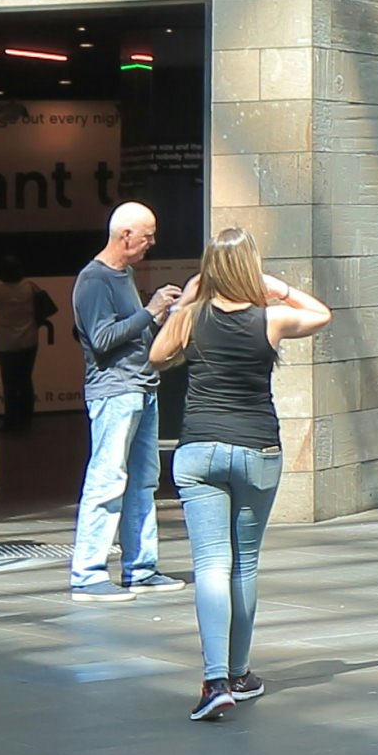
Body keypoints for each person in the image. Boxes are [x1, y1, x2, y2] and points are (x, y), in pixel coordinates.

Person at [145, 229, 332, 722]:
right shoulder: (268, 318)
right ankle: (241, 672)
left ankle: (214, 680)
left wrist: (189, 296)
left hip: (199, 451)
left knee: (210, 564)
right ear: (250, 269)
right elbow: (321, 315)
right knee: (243, 565)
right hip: (257, 450)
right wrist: (276, 285)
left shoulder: (191, 319)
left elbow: (157, 356)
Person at [69, 206, 175, 598]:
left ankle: (140, 567)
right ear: (125, 235)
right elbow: (101, 339)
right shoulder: (94, 280)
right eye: (147, 236)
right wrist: (150, 311)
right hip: (115, 391)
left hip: (141, 387)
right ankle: (88, 573)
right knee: (107, 479)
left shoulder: (123, 275)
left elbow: (127, 333)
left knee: (143, 480)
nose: (151, 243)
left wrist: (157, 317)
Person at [0, 272, 51, 429]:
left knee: (9, 383)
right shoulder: (29, 288)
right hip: (28, 340)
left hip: (6, 342)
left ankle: (10, 420)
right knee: (25, 381)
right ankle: (26, 419)